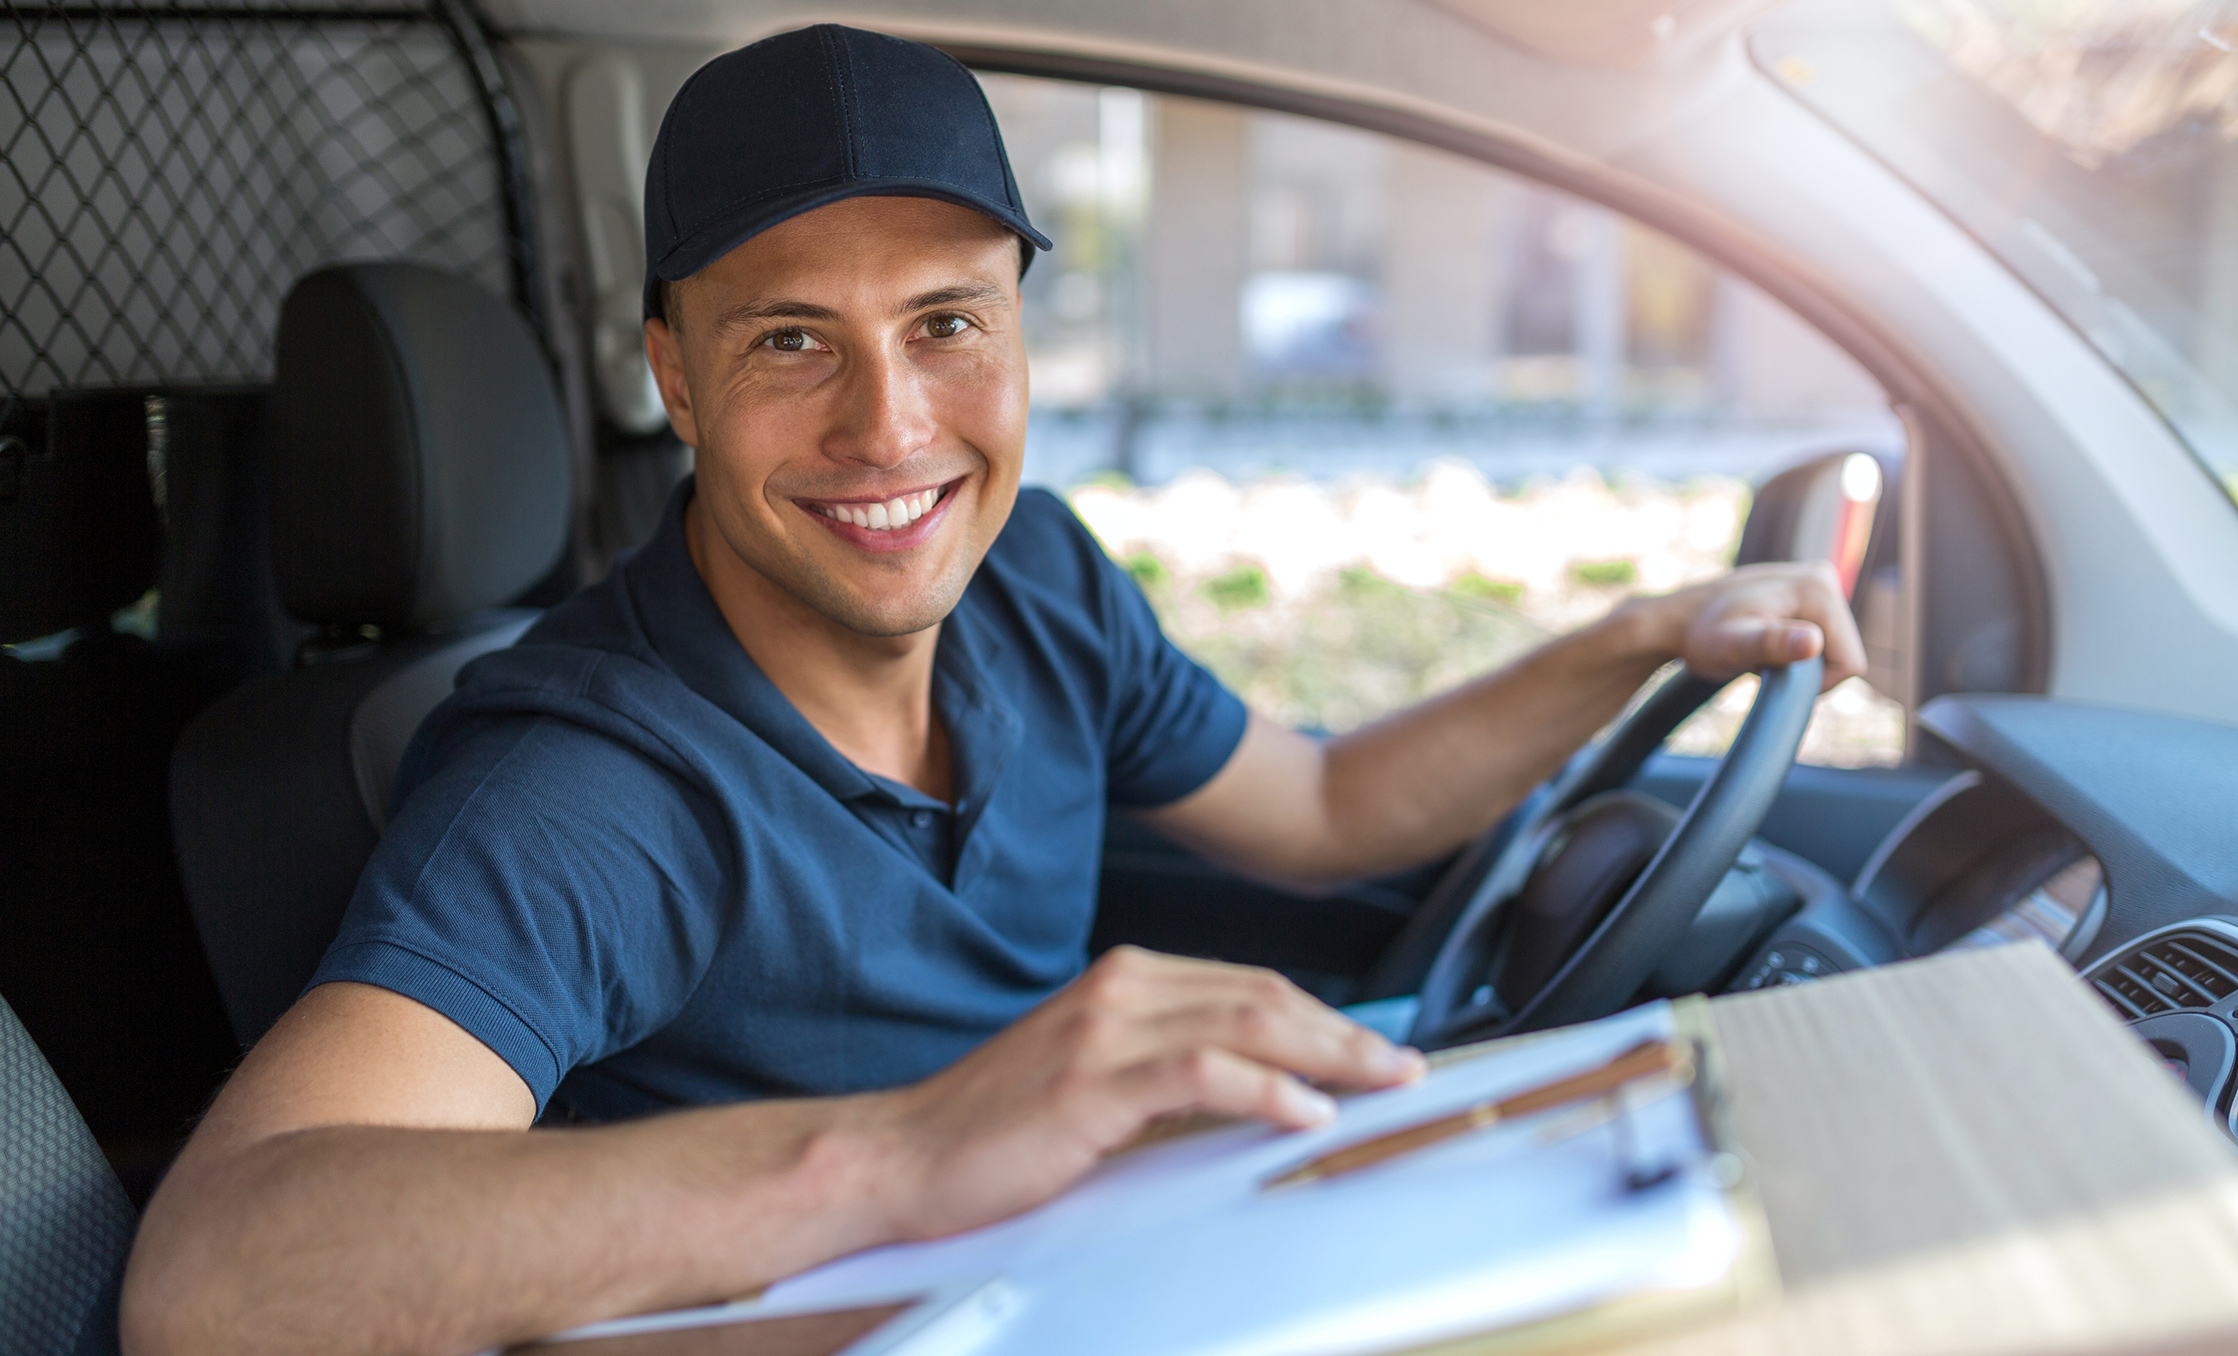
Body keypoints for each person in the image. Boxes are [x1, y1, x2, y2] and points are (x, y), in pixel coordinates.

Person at [121, 25, 1863, 1356]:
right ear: (671, 371)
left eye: (945, 322)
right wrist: (895, 1157)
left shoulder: (1032, 582)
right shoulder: (587, 784)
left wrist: (1639, 635)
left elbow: (1326, 813)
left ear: (1022, 325)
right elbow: (215, 1273)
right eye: (789, 338)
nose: (888, 427)